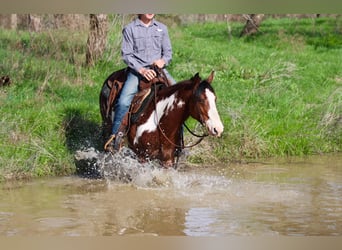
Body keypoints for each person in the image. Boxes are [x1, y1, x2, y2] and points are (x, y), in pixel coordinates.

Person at [104, 14, 176, 152]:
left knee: (179, 97)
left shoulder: (162, 28)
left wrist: (163, 61)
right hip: (137, 72)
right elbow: (127, 55)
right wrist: (142, 70)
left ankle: (178, 139)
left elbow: (168, 53)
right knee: (124, 101)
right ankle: (115, 137)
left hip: (159, 71)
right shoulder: (130, 29)